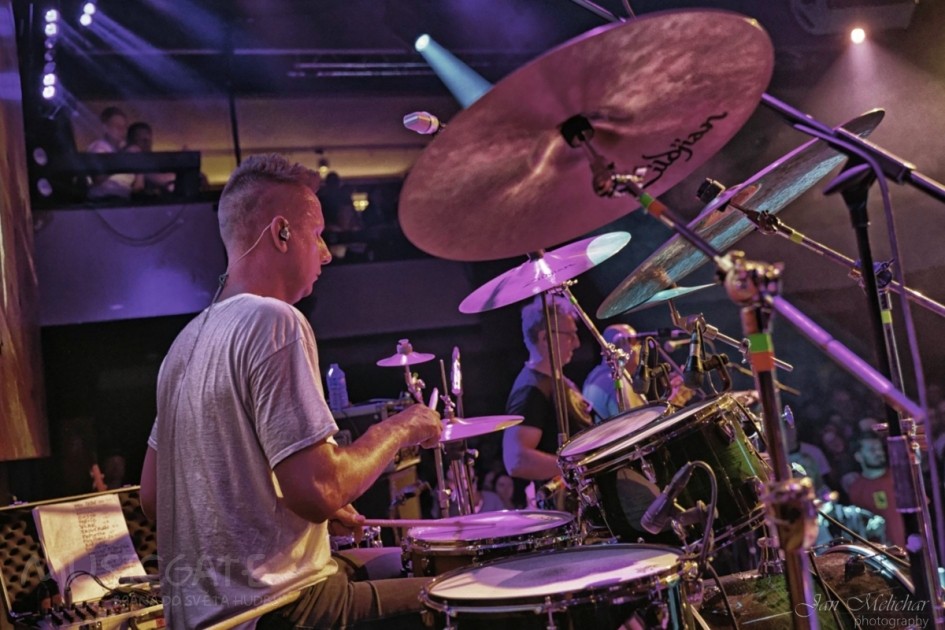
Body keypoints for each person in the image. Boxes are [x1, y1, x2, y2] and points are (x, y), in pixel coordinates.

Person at [138, 154, 442, 629]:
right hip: (282, 610)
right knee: (455, 594)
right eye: (316, 234)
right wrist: (402, 427)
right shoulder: (273, 320)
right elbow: (319, 491)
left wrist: (277, 512)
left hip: (208, 619)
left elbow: (153, 497)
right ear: (282, 232)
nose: (325, 253)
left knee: (387, 561)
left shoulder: (183, 346)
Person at [502, 295, 593, 501]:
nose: (577, 343)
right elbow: (516, 460)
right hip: (564, 505)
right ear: (545, 338)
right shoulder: (531, 389)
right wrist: (578, 467)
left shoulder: (559, 381)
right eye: (569, 335)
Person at [845, 432, 906, 547]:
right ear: (858, 457)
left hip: (912, 550)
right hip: (883, 554)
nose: (879, 453)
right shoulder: (856, 489)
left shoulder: (900, 477)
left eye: (880, 449)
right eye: (872, 450)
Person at [581, 323, 647, 421]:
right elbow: (631, 422)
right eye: (634, 342)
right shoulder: (614, 379)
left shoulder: (596, 376)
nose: (639, 348)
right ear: (620, 346)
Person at [86, 106, 143, 200]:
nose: (122, 131)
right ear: (105, 128)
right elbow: (98, 178)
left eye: (124, 127)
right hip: (102, 200)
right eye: (117, 127)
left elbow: (139, 186)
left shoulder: (127, 150)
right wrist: (123, 158)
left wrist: (139, 162)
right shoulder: (99, 147)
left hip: (124, 201)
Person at [125, 121, 176, 195]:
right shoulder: (129, 156)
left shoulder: (157, 161)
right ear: (132, 141)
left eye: (149, 140)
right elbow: (158, 179)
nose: (147, 144)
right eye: (143, 140)